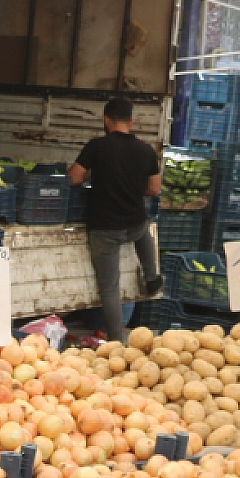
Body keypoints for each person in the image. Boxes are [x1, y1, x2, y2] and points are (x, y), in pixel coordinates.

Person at [69, 98, 164, 342]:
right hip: (133, 225)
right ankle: (152, 276)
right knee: (144, 227)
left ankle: (116, 341)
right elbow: (154, 189)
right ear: (131, 122)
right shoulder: (146, 150)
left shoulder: (97, 146)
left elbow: (74, 179)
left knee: (110, 288)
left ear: (106, 119)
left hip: (105, 229)